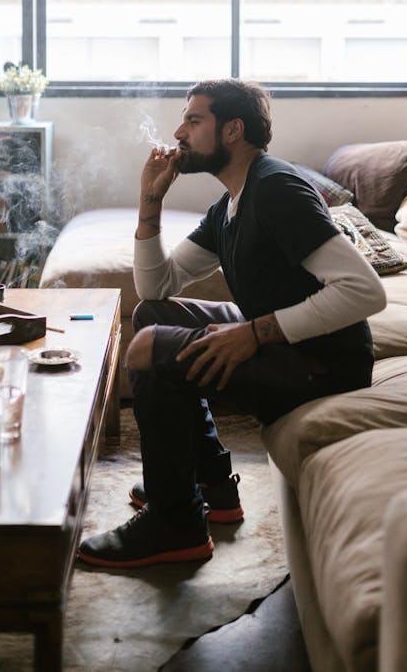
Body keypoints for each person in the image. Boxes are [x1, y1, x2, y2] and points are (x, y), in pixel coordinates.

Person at [78, 79, 386, 568]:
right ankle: (214, 486)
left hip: (323, 365)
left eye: (194, 120)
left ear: (233, 130)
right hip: (289, 347)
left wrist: (255, 332)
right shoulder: (230, 205)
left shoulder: (277, 190)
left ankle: (174, 525)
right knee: (152, 316)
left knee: (146, 348)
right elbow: (158, 288)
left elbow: (365, 291)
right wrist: (149, 201)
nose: (179, 132)